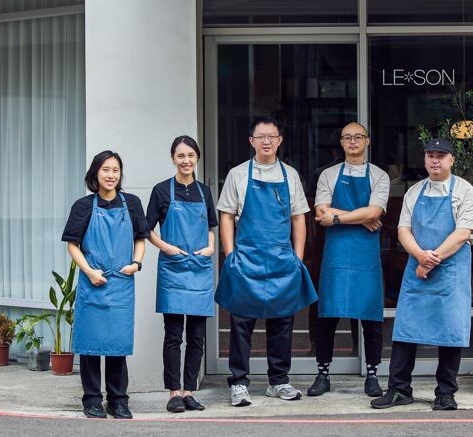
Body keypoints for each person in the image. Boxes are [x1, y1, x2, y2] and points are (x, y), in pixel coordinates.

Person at [215, 115, 318, 407]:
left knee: (282, 323)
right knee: (241, 323)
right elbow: (226, 215)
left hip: (282, 261)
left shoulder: (291, 175)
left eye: (272, 136)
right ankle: (238, 383)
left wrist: (297, 257)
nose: (267, 141)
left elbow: (299, 217)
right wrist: (230, 253)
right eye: (261, 136)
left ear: (280, 140)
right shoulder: (238, 174)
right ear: (251, 141)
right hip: (245, 259)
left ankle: (279, 381)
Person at [371, 138, 473, 411]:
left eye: (441, 156)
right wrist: (419, 255)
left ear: (451, 160)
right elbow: (403, 230)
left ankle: (445, 393)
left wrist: (430, 259)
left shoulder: (465, 191)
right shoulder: (414, 192)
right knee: (406, 329)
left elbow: (462, 233)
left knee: (450, 332)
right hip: (417, 267)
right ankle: (399, 389)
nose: (435, 160)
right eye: (430, 155)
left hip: (449, 271)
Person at [62, 150, 149, 419]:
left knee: (116, 344)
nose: (111, 175)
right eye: (105, 170)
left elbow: (140, 238)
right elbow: (73, 245)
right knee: (90, 345)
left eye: (115, 170)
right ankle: (91, 400)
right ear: (95, 174)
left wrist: (136, 264)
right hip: (93, 281)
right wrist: (88, 271)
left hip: (121, 282)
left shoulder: (132, 203)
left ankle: (118, 400)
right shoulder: (83, 206)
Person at [309, 122, 390, 398]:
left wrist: (338, 217)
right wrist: (362, 216)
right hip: (336, 255)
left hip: (366, 256)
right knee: (328, 315)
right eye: (347, 137)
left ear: (367, 141)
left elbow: (376, 211)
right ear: (341, 143)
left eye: (358, 137)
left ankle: (372, 374)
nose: (353, 141)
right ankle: (323, 373)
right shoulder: (327, 175)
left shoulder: (380, 176)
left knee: (370, 316)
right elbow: (321, 212)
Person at [146, 136, 218, 413]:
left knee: (197, 335)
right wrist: (166, 247)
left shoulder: (204, 192)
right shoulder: (162, 191)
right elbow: (146, 228)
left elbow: (212, 226)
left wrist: (211, 248)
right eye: (180, 156)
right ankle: (173, 392)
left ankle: (189, 391)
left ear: (197, 158)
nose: (186, 160)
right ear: (173, 158)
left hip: (199, 269)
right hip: (173, 268)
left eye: (191, 155)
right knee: (173, 334)